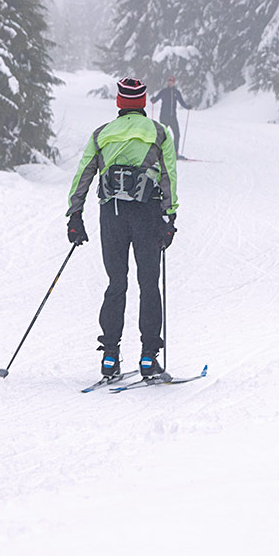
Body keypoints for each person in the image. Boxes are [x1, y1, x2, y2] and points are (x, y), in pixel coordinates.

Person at [65, 77, 178, 379]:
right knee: (148, 284)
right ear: (142, 102)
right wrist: (169, 217)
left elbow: (83, 174)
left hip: (111, 215)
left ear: (119, 103)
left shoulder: (101, 134)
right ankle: (148, 358)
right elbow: (168, 177)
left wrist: (75, 215)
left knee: (116, 284)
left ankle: (110, 357)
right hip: (147, 214)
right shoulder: (159, 132)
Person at [150, 76, 191, 158]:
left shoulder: (176, 92)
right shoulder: (163, 91)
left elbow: (182, 102)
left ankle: (175, 152)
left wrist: (187, 106)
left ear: (174, 82)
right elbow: (156, 99)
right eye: (169, 81)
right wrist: (153, 99)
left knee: (177, 134)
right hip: (164, 117)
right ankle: (159, 152)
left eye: (171, 81)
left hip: (173, 117)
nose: (170, 82)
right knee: (161, 135)